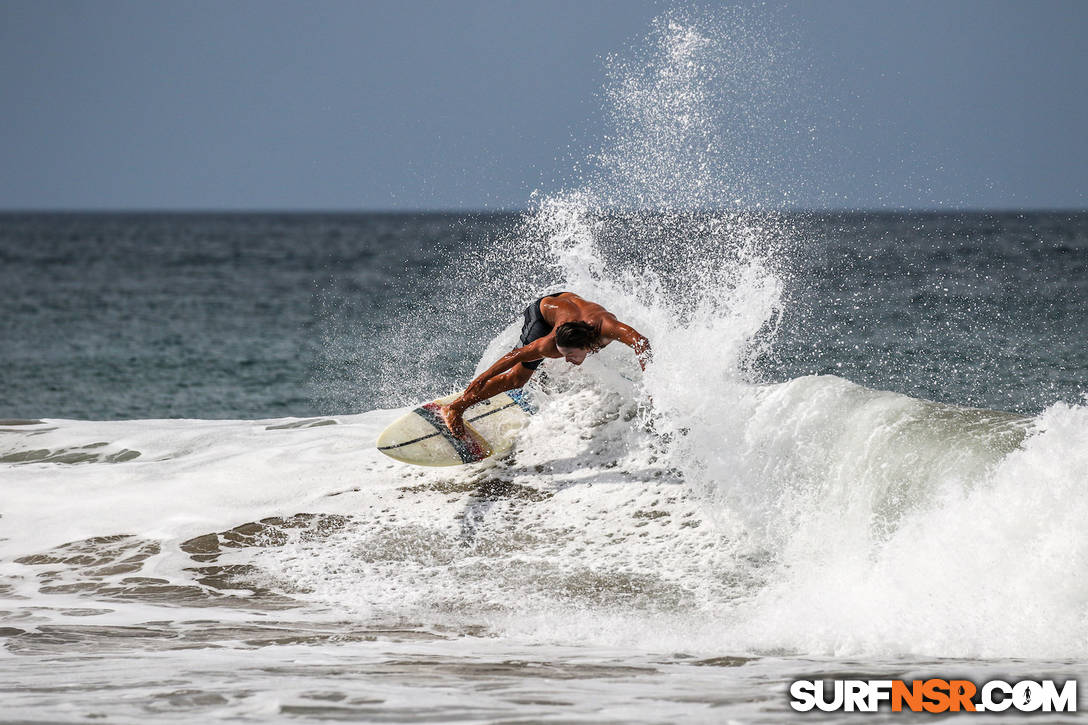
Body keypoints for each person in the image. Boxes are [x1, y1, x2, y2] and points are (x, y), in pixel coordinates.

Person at [439, 291, 651, 437]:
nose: (567, 358)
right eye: (562, 354)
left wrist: (652, 383)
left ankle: (540, 373)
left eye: (569, 354)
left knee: (548, 364)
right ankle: (455, 409)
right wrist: (481, 379)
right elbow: (514, 356)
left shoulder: (608, 328)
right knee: (517, 379)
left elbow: (642, 343)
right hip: (543, 312)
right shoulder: (549, 344)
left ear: (586, 344)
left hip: (570, 305)